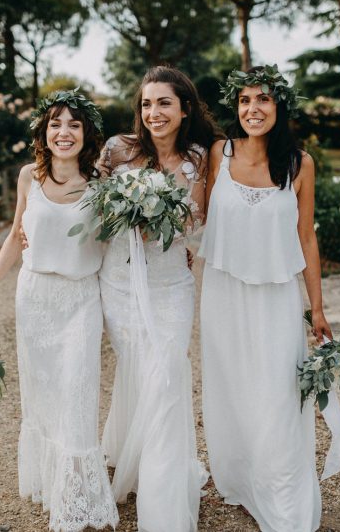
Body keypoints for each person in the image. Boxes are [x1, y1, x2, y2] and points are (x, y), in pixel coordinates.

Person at [0, 90, 118, 532]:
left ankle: (75, 501)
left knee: (77, 391)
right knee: (44, 395)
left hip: (81, 300)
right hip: (35, 300)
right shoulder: (28, 178)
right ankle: (54, 483)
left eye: (74, 124)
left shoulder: (102, 186)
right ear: (44, 132)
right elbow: (17, 236)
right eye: (56, 124)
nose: (64, 132)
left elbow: (119, 245)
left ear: (87, 133)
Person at [198, 65, 333, 532]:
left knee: (279, 394)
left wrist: (316, 308)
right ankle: (241, 478)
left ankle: (282, 492)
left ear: (280, 107)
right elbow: (196, 214)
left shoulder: (300, 163)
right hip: (223, 293)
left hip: (277, 294)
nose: (253, 109)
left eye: (263, 100)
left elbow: (306, 237)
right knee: (233, 388)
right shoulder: (220, 153)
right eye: (244, 101)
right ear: (236, 108)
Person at [97, 66, 219, 532]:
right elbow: (89, 206)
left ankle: (164, 501)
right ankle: (127, 444)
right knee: (136, 367)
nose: (154, 113)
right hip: (121, 282)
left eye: (164, 103)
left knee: (168, 371)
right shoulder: (117, 150)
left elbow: (202, 221)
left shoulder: (200, 159)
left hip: (171, 283)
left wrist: (174, 226)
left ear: (184, 108)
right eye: (147, 104)